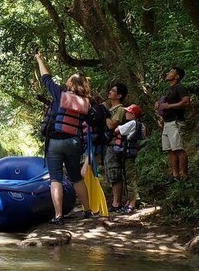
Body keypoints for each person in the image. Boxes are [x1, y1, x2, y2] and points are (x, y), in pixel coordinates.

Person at [34, 51, 93, 225]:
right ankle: (88, 211)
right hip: (74, 142)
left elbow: (46, 78)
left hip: (55, 143)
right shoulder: (87, 102)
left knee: (56, 179)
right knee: (76, 177)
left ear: (71, 83)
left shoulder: (60, 94)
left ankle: (59, 216)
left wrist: (39, 59)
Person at [102, 83, 134, 212]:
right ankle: (117, 201)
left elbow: (111, 125)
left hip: (114, 144)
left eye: (113, 90)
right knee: (110, 171)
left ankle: (116, 202)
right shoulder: (111, 110)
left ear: (119, 95)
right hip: (107, 144)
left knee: (115, 172)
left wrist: (104, 112)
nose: (110, 92)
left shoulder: (120, 110)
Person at [157, 66, 190, 180]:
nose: (167, 73)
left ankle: (184, 175)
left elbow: (186, 102)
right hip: (167, 122)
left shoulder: (180, 87)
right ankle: (175, 175)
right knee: (170, 150)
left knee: (179, 148)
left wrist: (169, 106)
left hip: (176, 121)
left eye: (171, 72)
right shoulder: (169, 90)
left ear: (177, 76)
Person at [114, 104, 145, 213]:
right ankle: (130, 201)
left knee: (130, 179)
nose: (125, 113)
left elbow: (117, 130)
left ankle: (132, 203)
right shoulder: (139, 124)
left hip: (128, 155)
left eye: (128, 112)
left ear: (133, 115)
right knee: (127, 178)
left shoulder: (131, 123)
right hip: (129, 154)